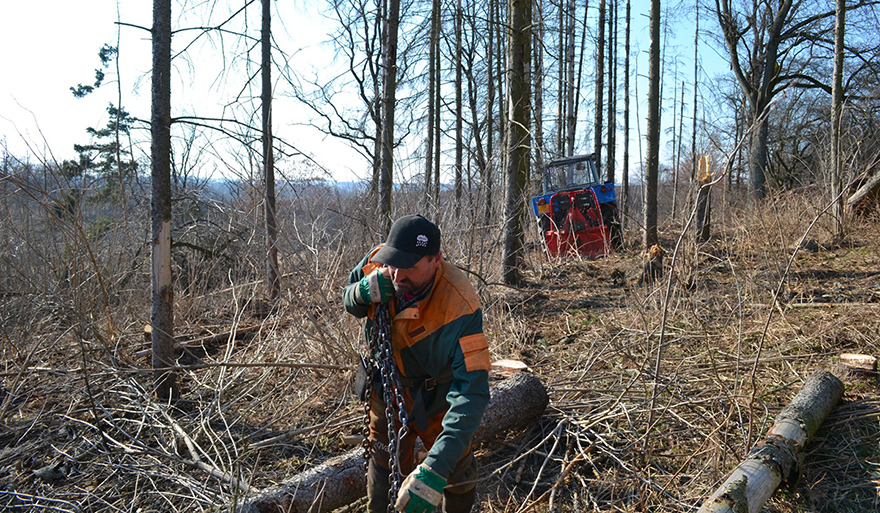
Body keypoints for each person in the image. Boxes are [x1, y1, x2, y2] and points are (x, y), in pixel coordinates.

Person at [343, 214, 491, 513]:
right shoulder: (378, 262)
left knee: (456, 470)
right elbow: (348, 298)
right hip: (386, 388)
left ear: (436, 259)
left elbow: (471, 392)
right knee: (384, 463)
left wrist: (435, 469)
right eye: (394, 264)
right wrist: (361, 293)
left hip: (437, 396)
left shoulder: (460, 304)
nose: (397, 276)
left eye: (410, 267)